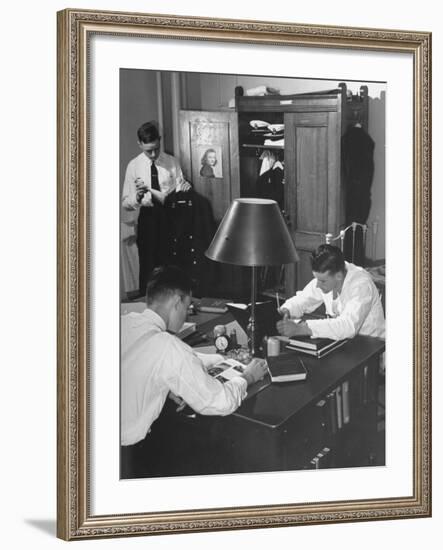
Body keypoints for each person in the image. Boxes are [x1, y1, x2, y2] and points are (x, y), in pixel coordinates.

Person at [121, 266, 267, 476]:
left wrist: (220, 359)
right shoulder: (168, 347)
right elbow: (219, 402)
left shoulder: (123, 323)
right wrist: (248, 377)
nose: (186, 313)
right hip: (130, 457)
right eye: (188, 306)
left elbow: (145, 362)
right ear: (177, 302)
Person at [121, 121, 191, 296]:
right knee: (148, 264)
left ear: (160, 141)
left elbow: (180, 187)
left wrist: (183, 190)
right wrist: (136, 197)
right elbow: (125, 203)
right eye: (148, 150)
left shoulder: (172, 162)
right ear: (140, 144)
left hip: (170, 218)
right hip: (147, 218)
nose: (153, 154)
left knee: (171, 263)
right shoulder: (134, 166)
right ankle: (147, 305)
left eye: (156, 149)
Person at [277, 244, 385, 341]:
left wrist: (302, 328)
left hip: (372, 346)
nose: (317, 285)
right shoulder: (329, 277)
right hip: (345, 343)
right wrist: (287, 309)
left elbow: (348, 326)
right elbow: (303, 299)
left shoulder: (361, 285)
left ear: (338, 276)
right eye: (316, 279)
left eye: (322, 281)